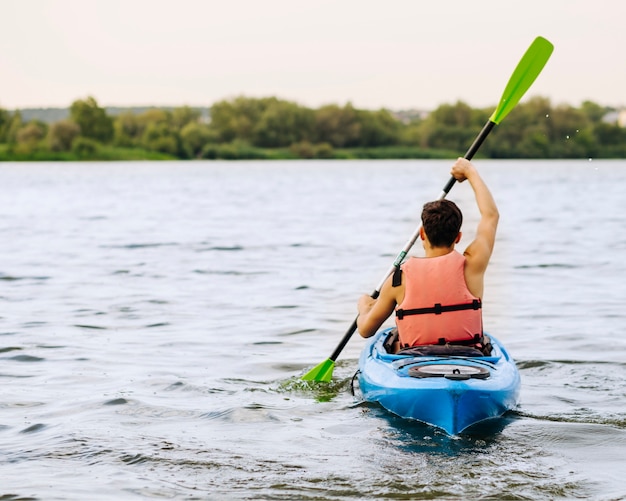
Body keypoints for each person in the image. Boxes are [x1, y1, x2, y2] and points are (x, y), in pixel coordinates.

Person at [356, 157, 498, 352]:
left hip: (415, 364)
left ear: (422, 234)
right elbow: (490, 216)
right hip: (468, 359)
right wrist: (469, 171)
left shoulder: (397, 280)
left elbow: (365, 330)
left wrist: (364, 306)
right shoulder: (473, 264)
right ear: (458, 237)